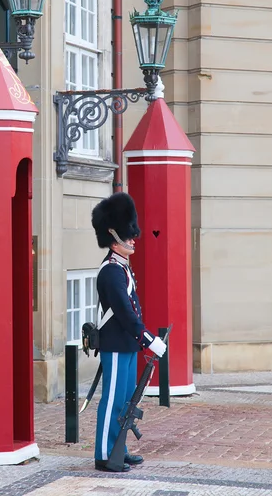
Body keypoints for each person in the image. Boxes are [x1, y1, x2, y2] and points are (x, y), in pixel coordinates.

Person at [91, 192, 167, 473]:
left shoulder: (122, 267)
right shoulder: (111, 271)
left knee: (124, 402)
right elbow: (124, 312)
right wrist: (148, 339)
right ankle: (103, 454)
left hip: (127, 344)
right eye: (128, 234)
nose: (133, 238)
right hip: (115, 343)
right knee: (111, 401)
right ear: (114, 235)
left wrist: (140, 341)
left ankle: (118, 449)